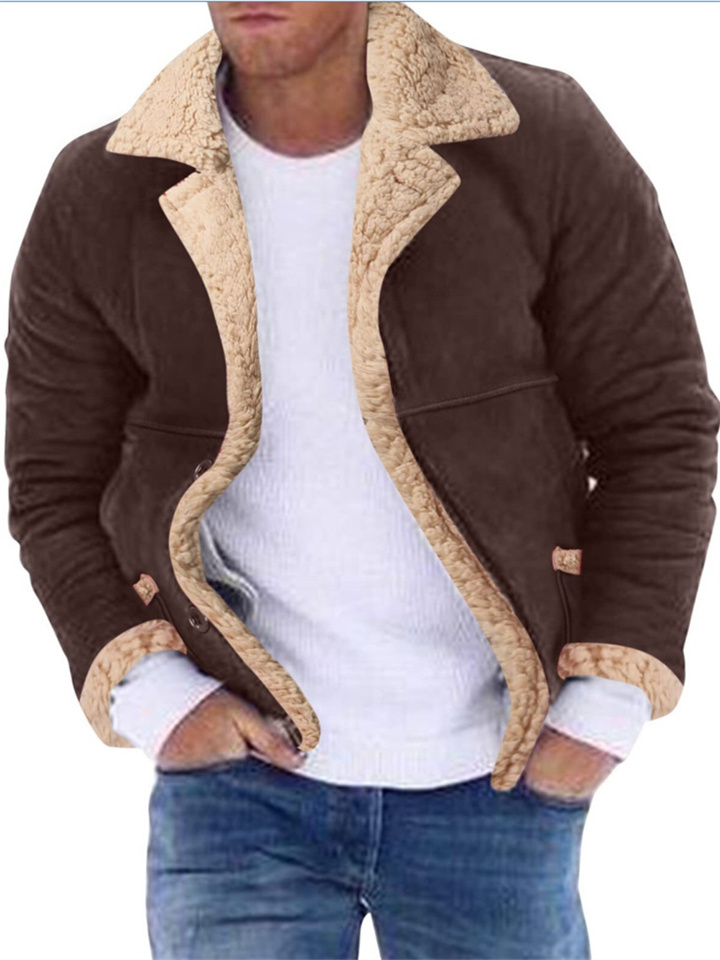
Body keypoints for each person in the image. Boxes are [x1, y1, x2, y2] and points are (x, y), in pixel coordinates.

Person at [5, 2, 718, 958]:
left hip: (501, 780)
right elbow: (51, 478)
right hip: (238, 797)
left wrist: (605, 705)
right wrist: (154, 695)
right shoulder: (107, 187)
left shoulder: (535, 138)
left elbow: (657, 428)